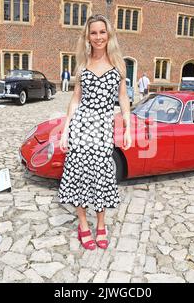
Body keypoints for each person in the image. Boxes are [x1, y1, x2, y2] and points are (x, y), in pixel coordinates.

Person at [58, 14, 132, 251]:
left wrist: (128, 128)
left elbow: (123, 98)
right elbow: (75, 99)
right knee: (79, 176)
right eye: (94, 33)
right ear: (87, 36)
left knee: (101, 176)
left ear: (108, 34)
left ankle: (101, 224)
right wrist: (65, 130)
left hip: (102, 128)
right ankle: (82, 223)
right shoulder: (82, 64)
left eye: (102, 32)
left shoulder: (118, 65)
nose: (98, 37)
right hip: (81, 127)